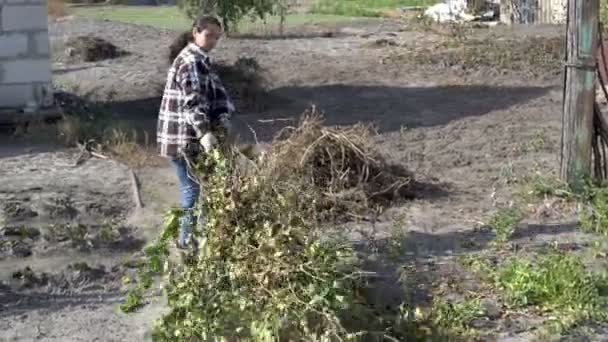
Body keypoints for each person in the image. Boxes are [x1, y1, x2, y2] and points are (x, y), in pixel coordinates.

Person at [157, 15, 235, 250]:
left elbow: (214, 94)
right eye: (208, 35)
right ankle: (186, 244)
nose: (212, 41)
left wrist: (222, 116)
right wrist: (204, 132)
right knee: (192, 190)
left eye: (217, 37)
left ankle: (201, 239)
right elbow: (193, 102)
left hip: (188, 139)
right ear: (195, 33)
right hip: (183, 139)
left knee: (202, 189)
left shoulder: (201, 60)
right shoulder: (190, 61)